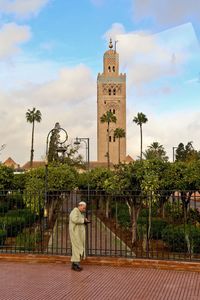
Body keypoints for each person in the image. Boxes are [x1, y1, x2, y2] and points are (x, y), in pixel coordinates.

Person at [69, 201, 90, 271]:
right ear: (80, 206)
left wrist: (85, 221)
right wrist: (83, 220)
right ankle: (76, 265)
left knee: (77, 248)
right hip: (75, 234)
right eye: (83, 208)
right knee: (77, 248)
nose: (84, 210)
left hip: (78, 234)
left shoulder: (79, 212)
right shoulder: (75, 211)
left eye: (85, 208)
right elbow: (74, 219)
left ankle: (74, 264)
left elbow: (80, 221)